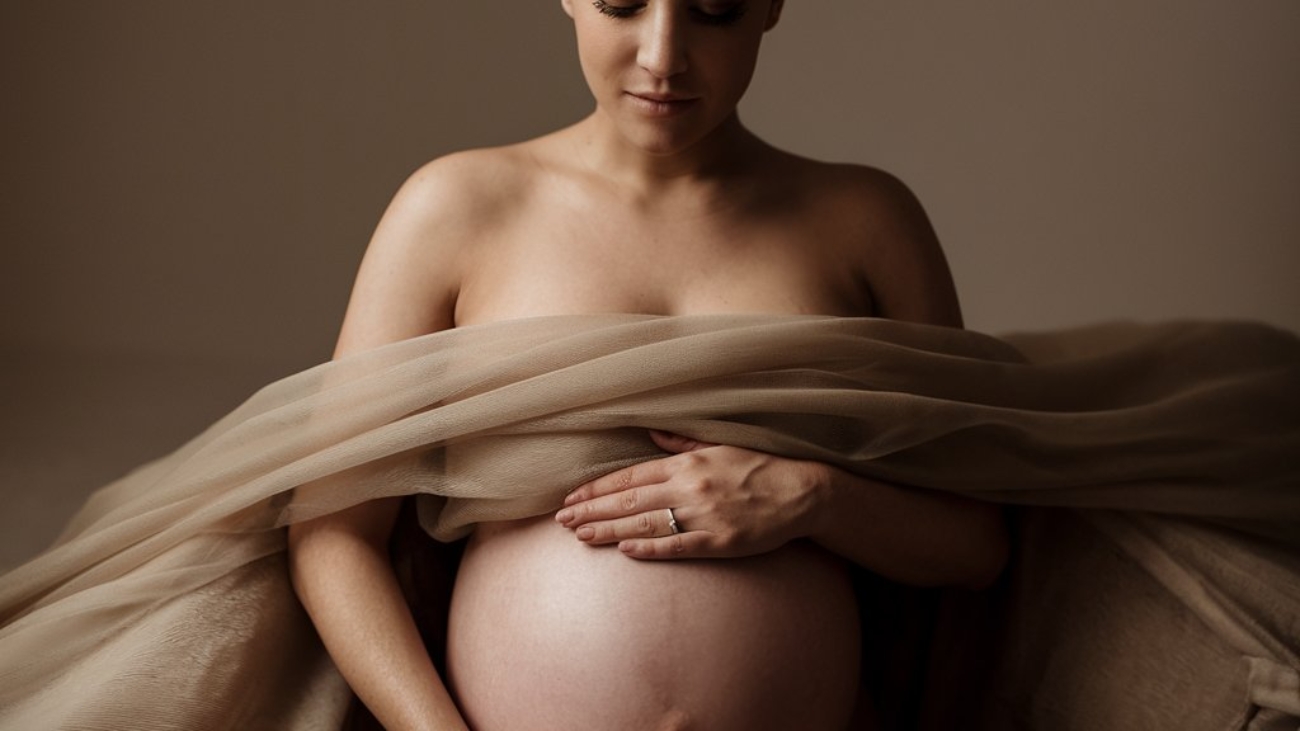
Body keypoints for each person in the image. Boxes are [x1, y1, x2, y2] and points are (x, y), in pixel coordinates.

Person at [286, 1, 1009, 729]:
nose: (664, 56)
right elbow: (333, 533)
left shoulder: (866, 223)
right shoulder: (455, 208)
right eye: (622, 3)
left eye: (714, 9)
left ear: (771, 6)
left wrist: (813, 496)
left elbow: (974, 543)